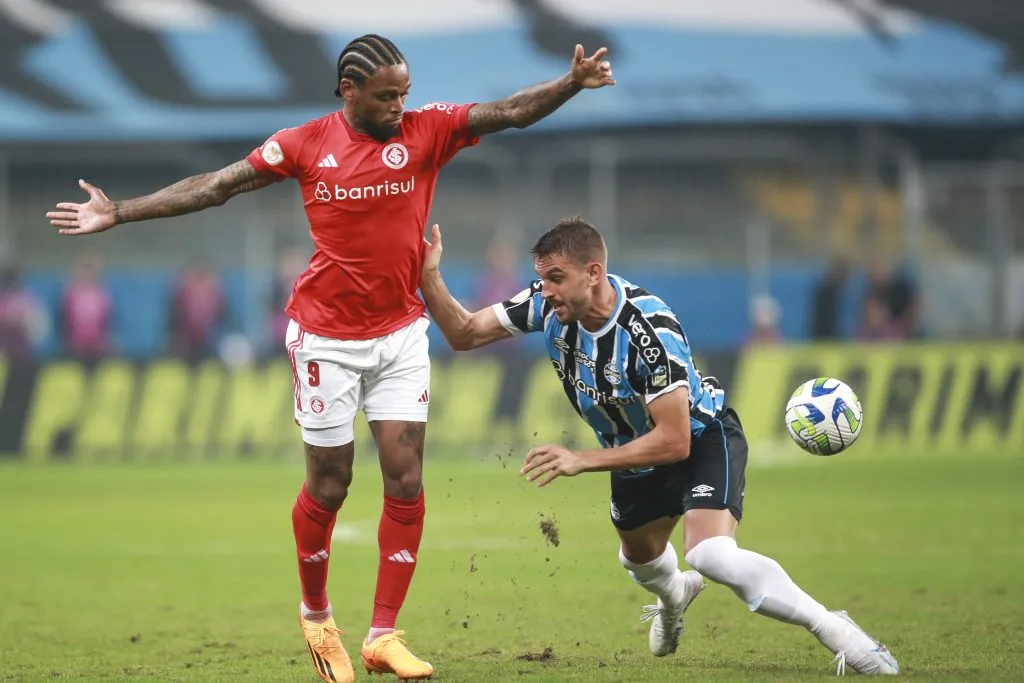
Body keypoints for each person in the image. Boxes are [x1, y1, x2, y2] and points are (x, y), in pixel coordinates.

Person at [45, 34, 615, 683]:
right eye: (386, 96)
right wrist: (119, 211)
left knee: (406, 476)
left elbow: (509, 111)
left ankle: (382, 634)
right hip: (325, 338)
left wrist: (569, 85)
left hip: (400, 332)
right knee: (331, 483)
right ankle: (317, 618)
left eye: (405, 91)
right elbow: (218, 185)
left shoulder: (429, 132)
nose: (402, 105)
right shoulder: (305, 143)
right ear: (349, 92)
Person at [417, 217, 900, 676]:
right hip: (633, 453)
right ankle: (674, 597)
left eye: (556, 278)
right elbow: (463, 333)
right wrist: (428, 275)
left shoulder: (649, 332)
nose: (546, 290)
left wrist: (581, 460)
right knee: (639, 561)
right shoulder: (546, 304)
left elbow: (674, 440)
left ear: (594, 273)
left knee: (711, 555)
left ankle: (839, 633)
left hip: (701, 439)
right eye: (542, 278)